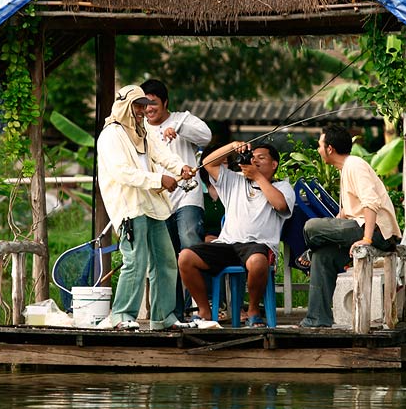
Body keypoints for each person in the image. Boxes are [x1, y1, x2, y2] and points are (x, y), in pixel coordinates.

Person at [96, 84, 195, 331]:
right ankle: (121, 316)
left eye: (144, 105)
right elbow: (122, 173)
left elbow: (162, 154)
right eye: (137, 106)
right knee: (135, 262)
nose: (142, 110)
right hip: (129, 207)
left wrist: (180, 168)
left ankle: (163, 318)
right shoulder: (111, 135)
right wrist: (160, 179)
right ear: (125, 106)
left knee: (166, 262)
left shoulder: (142, 132)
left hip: (153, 206)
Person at [178, 141, 295, 327]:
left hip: (258, 246)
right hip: (227, 244)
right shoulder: (234, 180)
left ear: (274, 165)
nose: (255, 160)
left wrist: (258, 178)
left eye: (261, 158)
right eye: (253, 157)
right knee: (186, 258)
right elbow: (208, 163)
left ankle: (253, 310)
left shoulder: (282, 187)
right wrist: (232, 146)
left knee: (257, 262)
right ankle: (204, 311)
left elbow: (280, 205)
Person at [299, 124, 402, 328]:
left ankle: (310, 250)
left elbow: (370, 202)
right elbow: (346, 213)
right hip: (359, 226)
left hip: (377, 231)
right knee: (323, 257)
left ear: (330, 149)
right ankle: (317, 319)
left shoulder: (355, 165)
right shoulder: (345, 169)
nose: (318, 150)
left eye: (320, 145)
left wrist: (367, 239)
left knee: (311, 226)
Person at [140, 79, 212, 320]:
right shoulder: (140, 129)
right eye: (145, 104)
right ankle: (175, 313)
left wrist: (180, 130)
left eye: (154, 104)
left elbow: (206, 136)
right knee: (166, 257)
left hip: (188, 197)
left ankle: (203, 306)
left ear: (165, 102)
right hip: (159, 201)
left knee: (190, 245)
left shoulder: (182, 119)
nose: (149, 109)